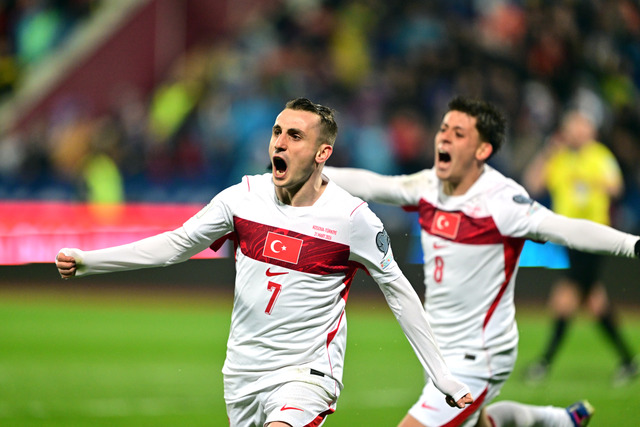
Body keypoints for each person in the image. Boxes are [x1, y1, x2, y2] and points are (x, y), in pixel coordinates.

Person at [55, 97, 473, 427]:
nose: (280, 143)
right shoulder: (242, 198)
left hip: (306, 375)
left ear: (322, 152)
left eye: (295, 135)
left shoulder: (352, 219)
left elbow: (399, 292)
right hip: (242, 376)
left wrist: (441, 374)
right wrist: (90, 261)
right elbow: (174, 245)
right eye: (277, 132)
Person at [324, 96, 640, 427]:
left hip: (479, 357)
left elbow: (566, 228)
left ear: (482, 150)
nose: (445, 138)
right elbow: (373, 184)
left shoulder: (502, 201)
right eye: (444, 129)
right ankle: (558, 420)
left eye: (459, 133)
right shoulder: (429, 185)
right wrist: (312, 170)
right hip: (439, 351)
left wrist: (632, 244)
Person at [522, 110, 638, 386]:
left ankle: (543, 363)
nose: (578, 131)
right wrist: (548, 152)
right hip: (568, 237)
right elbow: (532, 183)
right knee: (594, 300)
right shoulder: (558, 157)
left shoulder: (599, 156)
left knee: (565, 298)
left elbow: (616, 187)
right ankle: (628, 361)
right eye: (574, 127)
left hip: (593, 237)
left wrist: (589, 180)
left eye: (582, 126)